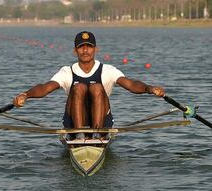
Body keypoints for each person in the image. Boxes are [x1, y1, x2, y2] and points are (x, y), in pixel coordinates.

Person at [13, 31, 165, 139]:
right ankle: (79, 134)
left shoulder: (107, 70)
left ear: (95, 49)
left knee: (97, 87)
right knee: (79, 87)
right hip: (73, 122)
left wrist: (149, 88)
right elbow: (45, 88)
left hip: (102, 122)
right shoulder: (67, 72)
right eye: (81, 47)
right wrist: (26, 94)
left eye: (89, 46)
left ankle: (97, 134)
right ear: (75, 51)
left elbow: (131, 84)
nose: (85, 50)